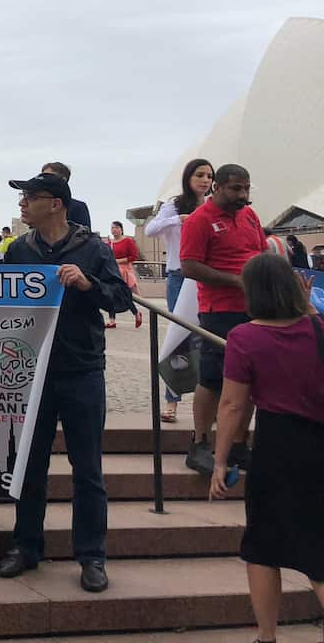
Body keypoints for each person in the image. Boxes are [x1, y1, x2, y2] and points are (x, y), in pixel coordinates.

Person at [0, 172, 132, 593]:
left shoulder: (92, 247)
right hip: (32, 374)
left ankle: (92, 555)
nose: (22, 205)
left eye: (30, 198)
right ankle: (26, 545)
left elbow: (121, 299)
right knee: (30, 465)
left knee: (87, 469)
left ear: (55, 203)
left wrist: (88, 283)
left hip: (81, 370)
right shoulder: (19, 250)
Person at [209, 253, 324, 643]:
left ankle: (267, 635)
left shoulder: (245, 337)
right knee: (318, 551)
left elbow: (233, 405)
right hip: (319, 442)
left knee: (263, 546)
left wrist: (220, 460)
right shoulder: (318, 328)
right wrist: (308, 308)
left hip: (278, 446)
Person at [179, 163, 266, 476]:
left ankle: (239, 444)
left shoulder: (249, 215)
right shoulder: (199, 221)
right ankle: (200, 443)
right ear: (217, 187)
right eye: (235, 189)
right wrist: (236, 280)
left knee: (252, 378)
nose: (243, 195)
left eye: (246, 188)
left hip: (256, 307)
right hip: (220, 310)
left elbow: (260, 252)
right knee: (213, 378)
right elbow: (189, 266)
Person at [145, 158, 214, 423]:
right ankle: (171, 400)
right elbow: (151, 229)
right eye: (200, 175)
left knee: (208, 338)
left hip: (208, 276)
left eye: (209, 176)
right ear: (188, 177)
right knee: (179, 338)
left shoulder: (212, 207)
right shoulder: (174, 205)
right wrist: (177, 220)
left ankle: (208, 401)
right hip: (179, 275)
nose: (205, 180)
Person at [105, 221, 143, 329]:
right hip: (113, 271)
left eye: (116, 227)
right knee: (111, 295)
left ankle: (136, 313)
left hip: (124, 271)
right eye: (112, 228)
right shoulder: (109, 243)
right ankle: (112, 320)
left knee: (125, 295)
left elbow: (133, 256)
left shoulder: (128, 241)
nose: (114, 230)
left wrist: (118, 261)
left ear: (121, 229)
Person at [41, 162, 91, 229]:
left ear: (63, 180)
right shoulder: (36, 205)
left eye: (48, 177)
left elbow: (84, 235)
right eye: (42, 177)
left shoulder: (78, 207)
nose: (43, 180)